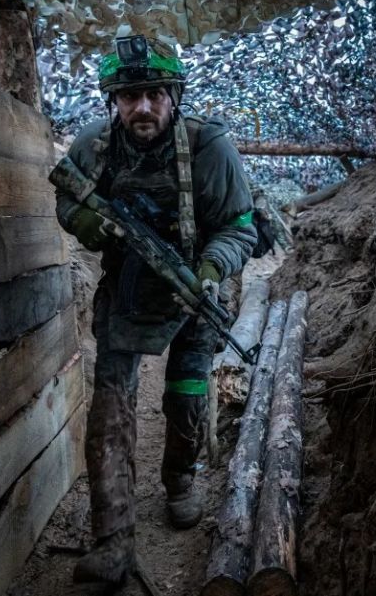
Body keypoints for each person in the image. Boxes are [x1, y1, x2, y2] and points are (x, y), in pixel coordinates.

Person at [50, 33, 257, 586]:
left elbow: (240, 227)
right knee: (111, 402)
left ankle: (180, 480)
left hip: (195, 285)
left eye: (154, 94)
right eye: (128, 96)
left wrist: (210, 272)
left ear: (174, 94)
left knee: (186, 392)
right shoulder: (95, 146)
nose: (142, 107)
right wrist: (84, 221)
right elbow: (68, 197)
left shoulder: (210, 146)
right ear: (114, 101)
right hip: (128, 286)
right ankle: (113, 537)